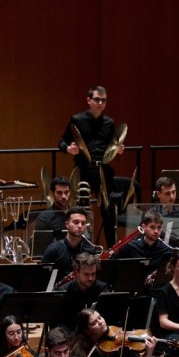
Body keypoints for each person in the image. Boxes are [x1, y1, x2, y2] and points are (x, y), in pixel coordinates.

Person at [58, 85, 122, 246]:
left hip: (103, 170)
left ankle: (111, 249)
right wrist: (68, 148)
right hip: (84, 169)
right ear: (89, 100)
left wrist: (118, 149)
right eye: (97, 99)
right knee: (80, 210)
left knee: (108, 213)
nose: (100, 102)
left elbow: (113, 145)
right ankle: (80, 246)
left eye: (103, 100)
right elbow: (61, 142)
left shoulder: (109, 123)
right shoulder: (77, 120)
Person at [41, 207, 98, 280]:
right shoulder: (53, 249)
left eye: (83, 223)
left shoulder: (89, 251)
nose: (80, 226)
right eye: (76, 222)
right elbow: (42, 278)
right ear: (67, 224)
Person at [153, 176, 179, 246]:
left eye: (173, 192)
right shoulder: (152, 214)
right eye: (167, 193)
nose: (172, 197)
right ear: (158, 194)